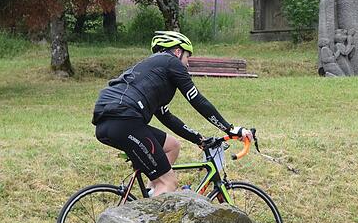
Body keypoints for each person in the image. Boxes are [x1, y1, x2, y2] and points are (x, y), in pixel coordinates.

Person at [91, 31, 253, 196]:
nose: (188, 64)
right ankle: (149, 215)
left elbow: (167, 117)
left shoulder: (153, 75)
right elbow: (197, 99)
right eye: (187, 57)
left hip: (108, 123)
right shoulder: (171, 62)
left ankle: (152, 192)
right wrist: (230, 129)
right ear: (177, 51)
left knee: (172, 146)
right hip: (125, 120)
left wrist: (199, 139)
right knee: (169, 183)